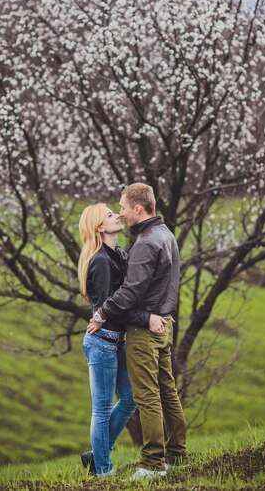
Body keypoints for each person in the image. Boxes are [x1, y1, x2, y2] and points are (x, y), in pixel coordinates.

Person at [87, 183, 187, 479]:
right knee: (167, 391)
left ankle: (153, 463)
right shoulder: (165, 234)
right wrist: (163, 312)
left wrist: (103, 312)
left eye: (122, 208)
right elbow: (167, 283)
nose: (120, 213)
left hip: (147, 330)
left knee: (146, 396)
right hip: (161, 324)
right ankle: (178, 455)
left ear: (138, 209)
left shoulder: (144, 242)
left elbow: (130, 292)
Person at [78, 203, 166, 478]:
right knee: (102, 410)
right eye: (109, 214)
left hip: (116, 340)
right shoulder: (102, 261)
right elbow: (111, 306)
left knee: (129, 399)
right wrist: (146, 318)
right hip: (102, 342)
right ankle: (103, 471)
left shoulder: (118, 254)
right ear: (100, 227)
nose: (117, 215)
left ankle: (97, 453)